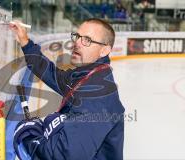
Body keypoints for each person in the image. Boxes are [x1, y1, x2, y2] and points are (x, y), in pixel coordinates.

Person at [10, 18, 125, 160]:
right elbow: (51, 74)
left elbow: (63, 155)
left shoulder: (96, 96)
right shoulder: (87, 75)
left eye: (87, 40)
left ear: (104, 50)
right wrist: (24, 41)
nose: (76, 43)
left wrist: (29, 136)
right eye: (77, 37)